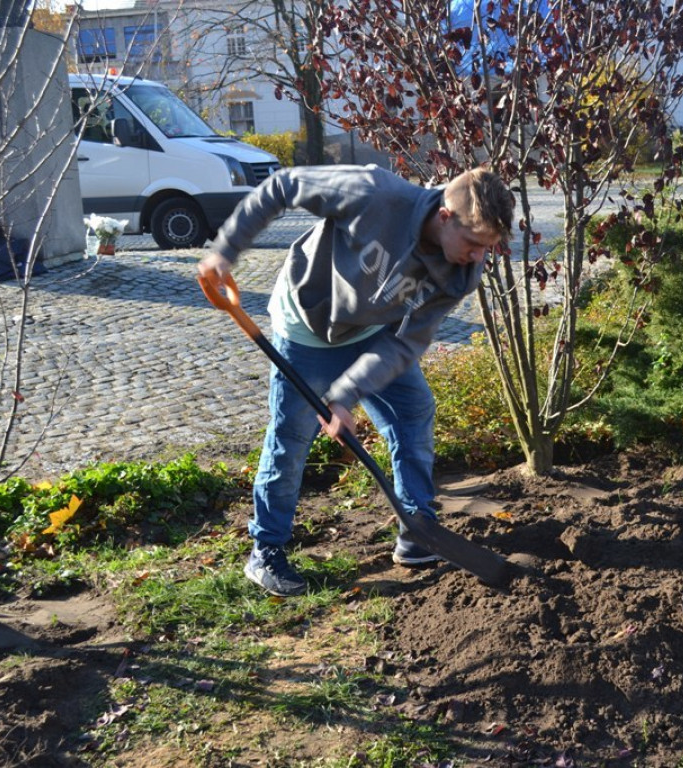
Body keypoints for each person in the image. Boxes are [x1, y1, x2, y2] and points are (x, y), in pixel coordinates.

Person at [198, 164, 514, 596]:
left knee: (412, 411)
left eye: (488, 248)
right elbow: (283, 185)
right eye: (474, 243)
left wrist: (345, 395)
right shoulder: (374, 194)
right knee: (292, 437)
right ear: (445, 216)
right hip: (307, 325)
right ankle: (266, 549)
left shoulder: (462, 271)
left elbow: (406, 345)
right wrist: (225, 250)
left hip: (373, 333)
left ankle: (417, 528)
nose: (479, 256)